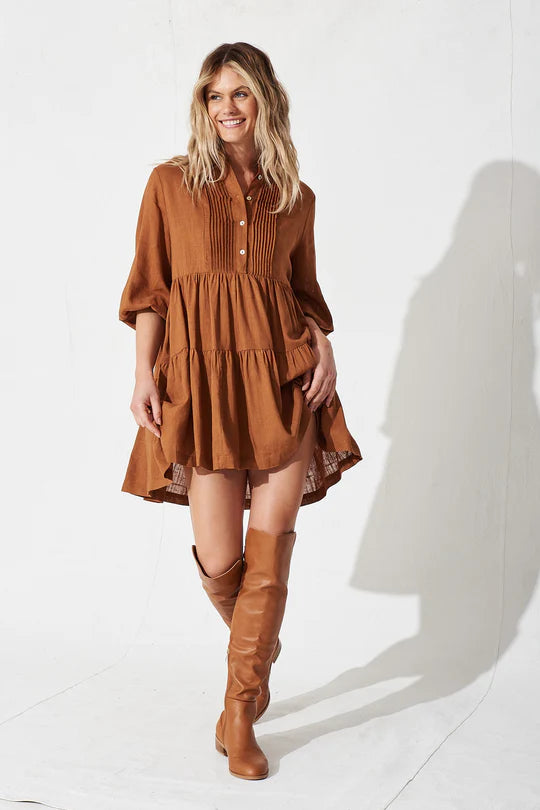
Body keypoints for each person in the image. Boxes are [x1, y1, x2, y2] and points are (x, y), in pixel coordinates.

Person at [118, 42, 363, 780]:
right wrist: (144, 373)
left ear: (266, 101)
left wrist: (323, 347)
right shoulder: (170, 183)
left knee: (273, 539)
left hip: (284, 381)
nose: (226, 107)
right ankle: (258, 645)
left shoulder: (296, 198)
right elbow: (152, 290)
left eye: (240, 93)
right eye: (214, 95)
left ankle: (238, 715)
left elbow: (303, 295)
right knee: (223, 559)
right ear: (203, 105)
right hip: (202, 383)